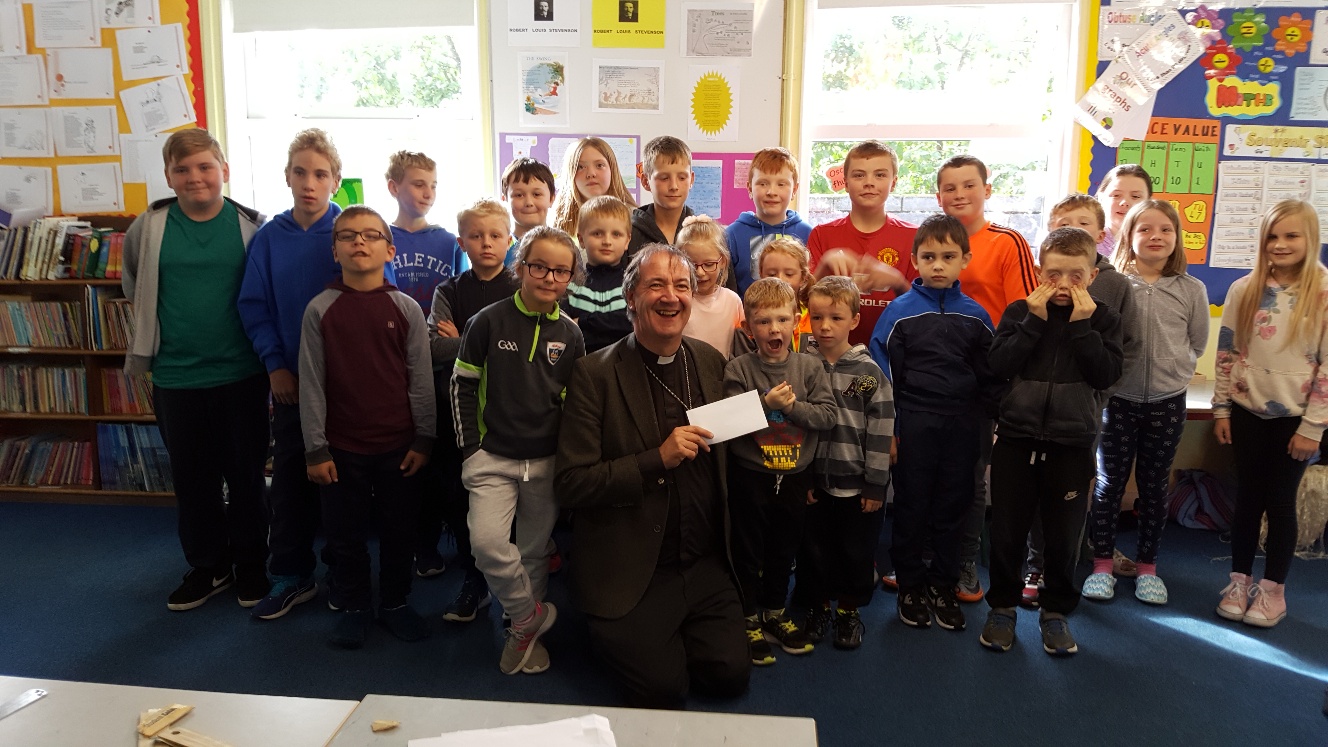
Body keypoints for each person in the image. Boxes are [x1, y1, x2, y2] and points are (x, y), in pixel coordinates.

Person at [555, 243, 750, 708]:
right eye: (656, 285)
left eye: (681, 286)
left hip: (701, 561)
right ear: (631, 298)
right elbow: (571, 483)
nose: (671, 296)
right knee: (663, 690)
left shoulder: (710, 361)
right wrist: (655, 459)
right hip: (633, 562)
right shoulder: (593, 374)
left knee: (729, 675)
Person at [240, 129, 396, 620]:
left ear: (336, 180)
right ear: (287, 177)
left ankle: (342, 573)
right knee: (290, 482)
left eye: (320, 174)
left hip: (350, 391)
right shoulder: (269, 239)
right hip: (293, 384)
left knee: (343, 487)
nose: (310, 183)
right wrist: (274, 365)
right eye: (300, 172)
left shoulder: (354, 232)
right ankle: (291, 574)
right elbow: (254, 306)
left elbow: (384, 302)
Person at [122, 128, 270, 612]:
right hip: (176, 377)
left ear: (224, 170)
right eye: (182, 169)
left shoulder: (252, 227)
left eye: (205, 166)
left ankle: (251, 564)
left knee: (246, 477)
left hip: (242, 375)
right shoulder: (149, 226)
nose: (195, 177)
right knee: (192, 480)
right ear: (168, 176)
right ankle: (209, 566)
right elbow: (134, 283)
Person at [980, 227, 1122, 656]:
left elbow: (1106, 374)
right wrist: (1033, 322)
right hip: (1016, 439)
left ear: (1092, 275)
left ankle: (1055, 611)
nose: (1063, 285)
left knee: (1063, 537)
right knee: (1006, 531)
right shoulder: (1020, 312)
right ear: (1040, 272)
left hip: (1071, 444)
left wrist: (1082, 327)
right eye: (1053, 274)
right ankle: (1003, 607)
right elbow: (998, 365)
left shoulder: (1104, 319)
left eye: (1075, 275)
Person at [299, 206, 435, 648]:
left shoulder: (406, 308)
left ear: (389, 250)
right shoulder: (320, 309)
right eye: (348, 235)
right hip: (341, 449)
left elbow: (420, 378)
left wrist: (424, 438)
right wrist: (316, 448)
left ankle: (395, 602)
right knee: (345, 534)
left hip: (400, 446)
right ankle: (355, 604)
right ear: (334, 250)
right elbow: (312, 383)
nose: (359, 241)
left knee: (400, 531)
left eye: (371, 235)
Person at [452, 225, 586, 674]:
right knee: (488, 544)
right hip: (491, 458)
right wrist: (471, 449)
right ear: (521, 266)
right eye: (539, 267)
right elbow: (462, 385)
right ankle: (528, 615)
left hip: (545, 461)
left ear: (571, 277)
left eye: (561, 271)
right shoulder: (487, 321)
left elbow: (574, 403)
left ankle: (521, 633)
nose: (549, 277)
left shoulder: (571, 334)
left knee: (533, 552)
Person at [869, 214, 1000, 633]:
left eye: (948, 256)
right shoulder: (898, 313)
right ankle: (910, 586)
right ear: (914, 260)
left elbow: (991, 377)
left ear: (965, 260)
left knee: (953, 506)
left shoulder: (977, 316)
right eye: (928, 257)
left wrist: (990, 425)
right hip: (915, 422)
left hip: (963, 426)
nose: (938, 265)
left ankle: (943, 585)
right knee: (911, 505)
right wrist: (890, 430)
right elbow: (883, 375)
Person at [1082, 200, 1207, 606]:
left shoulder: (1191, 289)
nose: (1156, 236)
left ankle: (1148, 567)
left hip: (1167, 402)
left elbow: (1198, 342)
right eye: (1145, 229)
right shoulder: (1118, 285)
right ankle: (1102, 564)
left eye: (1165, 229)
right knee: (1109, 485)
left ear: (1177, 237)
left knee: (1154, 488)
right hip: (1118, 400)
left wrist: (1176, 370)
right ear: (1128, 237)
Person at [1213, 199, 1327, 629]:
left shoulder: (1322, 292)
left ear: (1310, 238)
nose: (1280, 244)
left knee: (1280, 502)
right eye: (1272, 236)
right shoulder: (1245, 289)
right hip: (1247, 411)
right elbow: (1227, 353)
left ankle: (1273, 590)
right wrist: (1221, 409)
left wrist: (1313, 427)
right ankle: (1239, 581)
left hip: (1295, 420)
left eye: (1291, 235)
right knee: (1246, 498)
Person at [1021, 193, 1138, 608]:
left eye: (1083, 223)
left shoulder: (1115, 285)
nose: (1072, 228)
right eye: (1063, 223)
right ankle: (1036, 564)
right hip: (1034, 415)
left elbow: (1127, 349)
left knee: (1071, 494)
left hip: (1083, 412)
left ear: (1100, 234)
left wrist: (1098, 397)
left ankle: (1065, 566)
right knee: (1036, 495)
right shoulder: (1042, 281)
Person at [935, 154, 1038, 604]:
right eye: (950, 188)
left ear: (987, 190)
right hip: (933, 377)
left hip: (983, 382)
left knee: (972, 476)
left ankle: (964, 562)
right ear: (939, 196)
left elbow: (1026, 316)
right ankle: (927, 556)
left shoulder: (1007, 242)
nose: (959, 194)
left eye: (969, 185)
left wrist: (1006, 380)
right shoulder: (934, 238)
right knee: (929, 470)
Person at [725, 277, 838, 665]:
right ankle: (747, 616)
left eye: (782, 320)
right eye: (763, 321)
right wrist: (765, 404)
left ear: (796, 320)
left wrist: (791, 408)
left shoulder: (810, 367)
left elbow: (827, 415)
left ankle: (774, 611)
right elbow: (730, 423)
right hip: (750, 476)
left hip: (794, 478)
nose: (774, 329)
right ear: (748, 328)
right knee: (747, 549)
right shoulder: (739, 369)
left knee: (783, 547)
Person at [425, 199, 521, 623]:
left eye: (495, 235)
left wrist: (463, 336)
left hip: (510, 410)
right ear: (461, 241)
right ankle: (474, 582)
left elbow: (525, 349)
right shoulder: (448, 291)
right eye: (476, 236)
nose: (486, 243)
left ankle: (516, 594)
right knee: (462, 497)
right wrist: (495, 343)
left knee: (511, 505)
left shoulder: (520, 288)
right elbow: (434, 347)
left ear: (509, 240)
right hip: (460, 413)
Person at [798, 276, 894, 649]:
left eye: (836, 318)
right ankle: (819, 608)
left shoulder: (867, 374)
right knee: (814, 552)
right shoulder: (803, 366)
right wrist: (803, 476)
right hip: (814, 482)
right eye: (817, 317)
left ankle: (849, 613)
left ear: (854, 320)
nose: (825, 326)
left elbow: (880, 430)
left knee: (855, 554)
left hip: (857, 486)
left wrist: (875, 484)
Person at [807, 140, 918, 344]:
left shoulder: (914, 237)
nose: (869, 182)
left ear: (893, 182)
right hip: (832, 354)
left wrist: (897, 282)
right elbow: (804, 303)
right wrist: (824, 265)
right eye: (859, 175)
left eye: (880, 175)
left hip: (895, 352)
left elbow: (925, 310)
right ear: (846, 183)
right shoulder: (822, 234)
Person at [726, 147, 814, 296]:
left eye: (781, 184)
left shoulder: (808, 233)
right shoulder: (732, 235)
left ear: (794, 190)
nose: (771, 192)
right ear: (749, 188)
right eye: (763, 183)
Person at [385, 150, 463, 316]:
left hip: (438, 329)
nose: (429, 194)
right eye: (419, 185)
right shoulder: (380, 240)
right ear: (394, 187)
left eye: (433, 186)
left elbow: (463, 294)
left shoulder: (450, 242)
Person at [566, 196, 634, 353]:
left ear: (627, 241)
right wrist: (612, 323)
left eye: (616, 234)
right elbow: (566, 329)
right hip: (581, 363)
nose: (607, 241)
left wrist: (583, 322)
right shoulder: (570, 285)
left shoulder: (634, 284)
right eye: (597, 234)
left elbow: (631, 323)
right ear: (581, 239)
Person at [679, 215, 746, 358]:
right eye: (692, 264)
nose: (700, 272)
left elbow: (742, 347)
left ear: (723, 261)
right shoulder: (678, 301)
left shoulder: (732, 301)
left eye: (709, 264)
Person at [551, 137, 636, 238]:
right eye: (580, 167)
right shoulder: (556, 222)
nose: (591, 174)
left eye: (599, 165)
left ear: (612, 170)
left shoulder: (634, 220)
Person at [630, 136, 695, 253]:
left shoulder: (703, 233)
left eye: (682, 178)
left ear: (691, 180)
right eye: (664, 178)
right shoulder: (629, 233)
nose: (674, 186)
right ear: (645, 181)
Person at [757, 237, 814, 352]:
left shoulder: (814, 317)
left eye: (789, 274)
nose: (780, 280)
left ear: (803, 277)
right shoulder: (754, 318)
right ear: (761, 275)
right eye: (771, 274)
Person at [501, 157, 557, 262]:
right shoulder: (497, 250)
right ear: (505, 200)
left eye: (537, 194)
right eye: (519, 195)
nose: (529, 203)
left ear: (551, 198)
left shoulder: (564, 247)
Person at [1095, 164, 1152, 257]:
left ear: (1149, 202)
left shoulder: (1157, 242)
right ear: (1101, 198)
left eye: (1135, 196)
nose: (1124, 203)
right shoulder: (1088, 242)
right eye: (1116, 195)